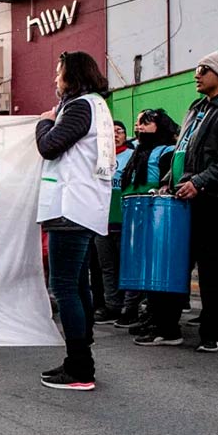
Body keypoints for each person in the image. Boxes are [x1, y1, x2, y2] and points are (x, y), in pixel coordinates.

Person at [135, 51, 218, 352]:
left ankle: (211, 333)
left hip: (214, 202)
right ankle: (167, 327)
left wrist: (199, 183)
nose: (196, 74)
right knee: (173, 265)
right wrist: (167, 184)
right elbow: (181, 152)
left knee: (212, 270)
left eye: (203, 69)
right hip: (181, 200)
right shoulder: (195, 107)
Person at [35, 51, 115, 391]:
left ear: (73, 75)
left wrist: (44, 122)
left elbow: (50, 147)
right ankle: (80, 360)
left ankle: (80, 367)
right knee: (77, 283)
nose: (55, 80)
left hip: (70, 208)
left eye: (59, 73)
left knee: (64, 286)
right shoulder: (96, 106)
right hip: (84, 206)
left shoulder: (80, 106)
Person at [117, 108, 179, 331]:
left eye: (146, 123)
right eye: (138, 123)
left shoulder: (167, 151)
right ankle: (149, 316)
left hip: (157, 217)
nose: (139, 127)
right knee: (141, 268)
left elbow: (168, 184)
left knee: (156, 268)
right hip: (136, 215)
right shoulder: (139, 151)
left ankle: (159, 320)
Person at [92, 120, 133, 324]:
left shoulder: (132, 157)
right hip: (103, 222)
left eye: (120, 131)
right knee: (107, 268)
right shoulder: (98, 158)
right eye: (111, 131)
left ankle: (129, 306)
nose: (116, 134)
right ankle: (112, 306)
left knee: (126, 266)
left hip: (126, 222)